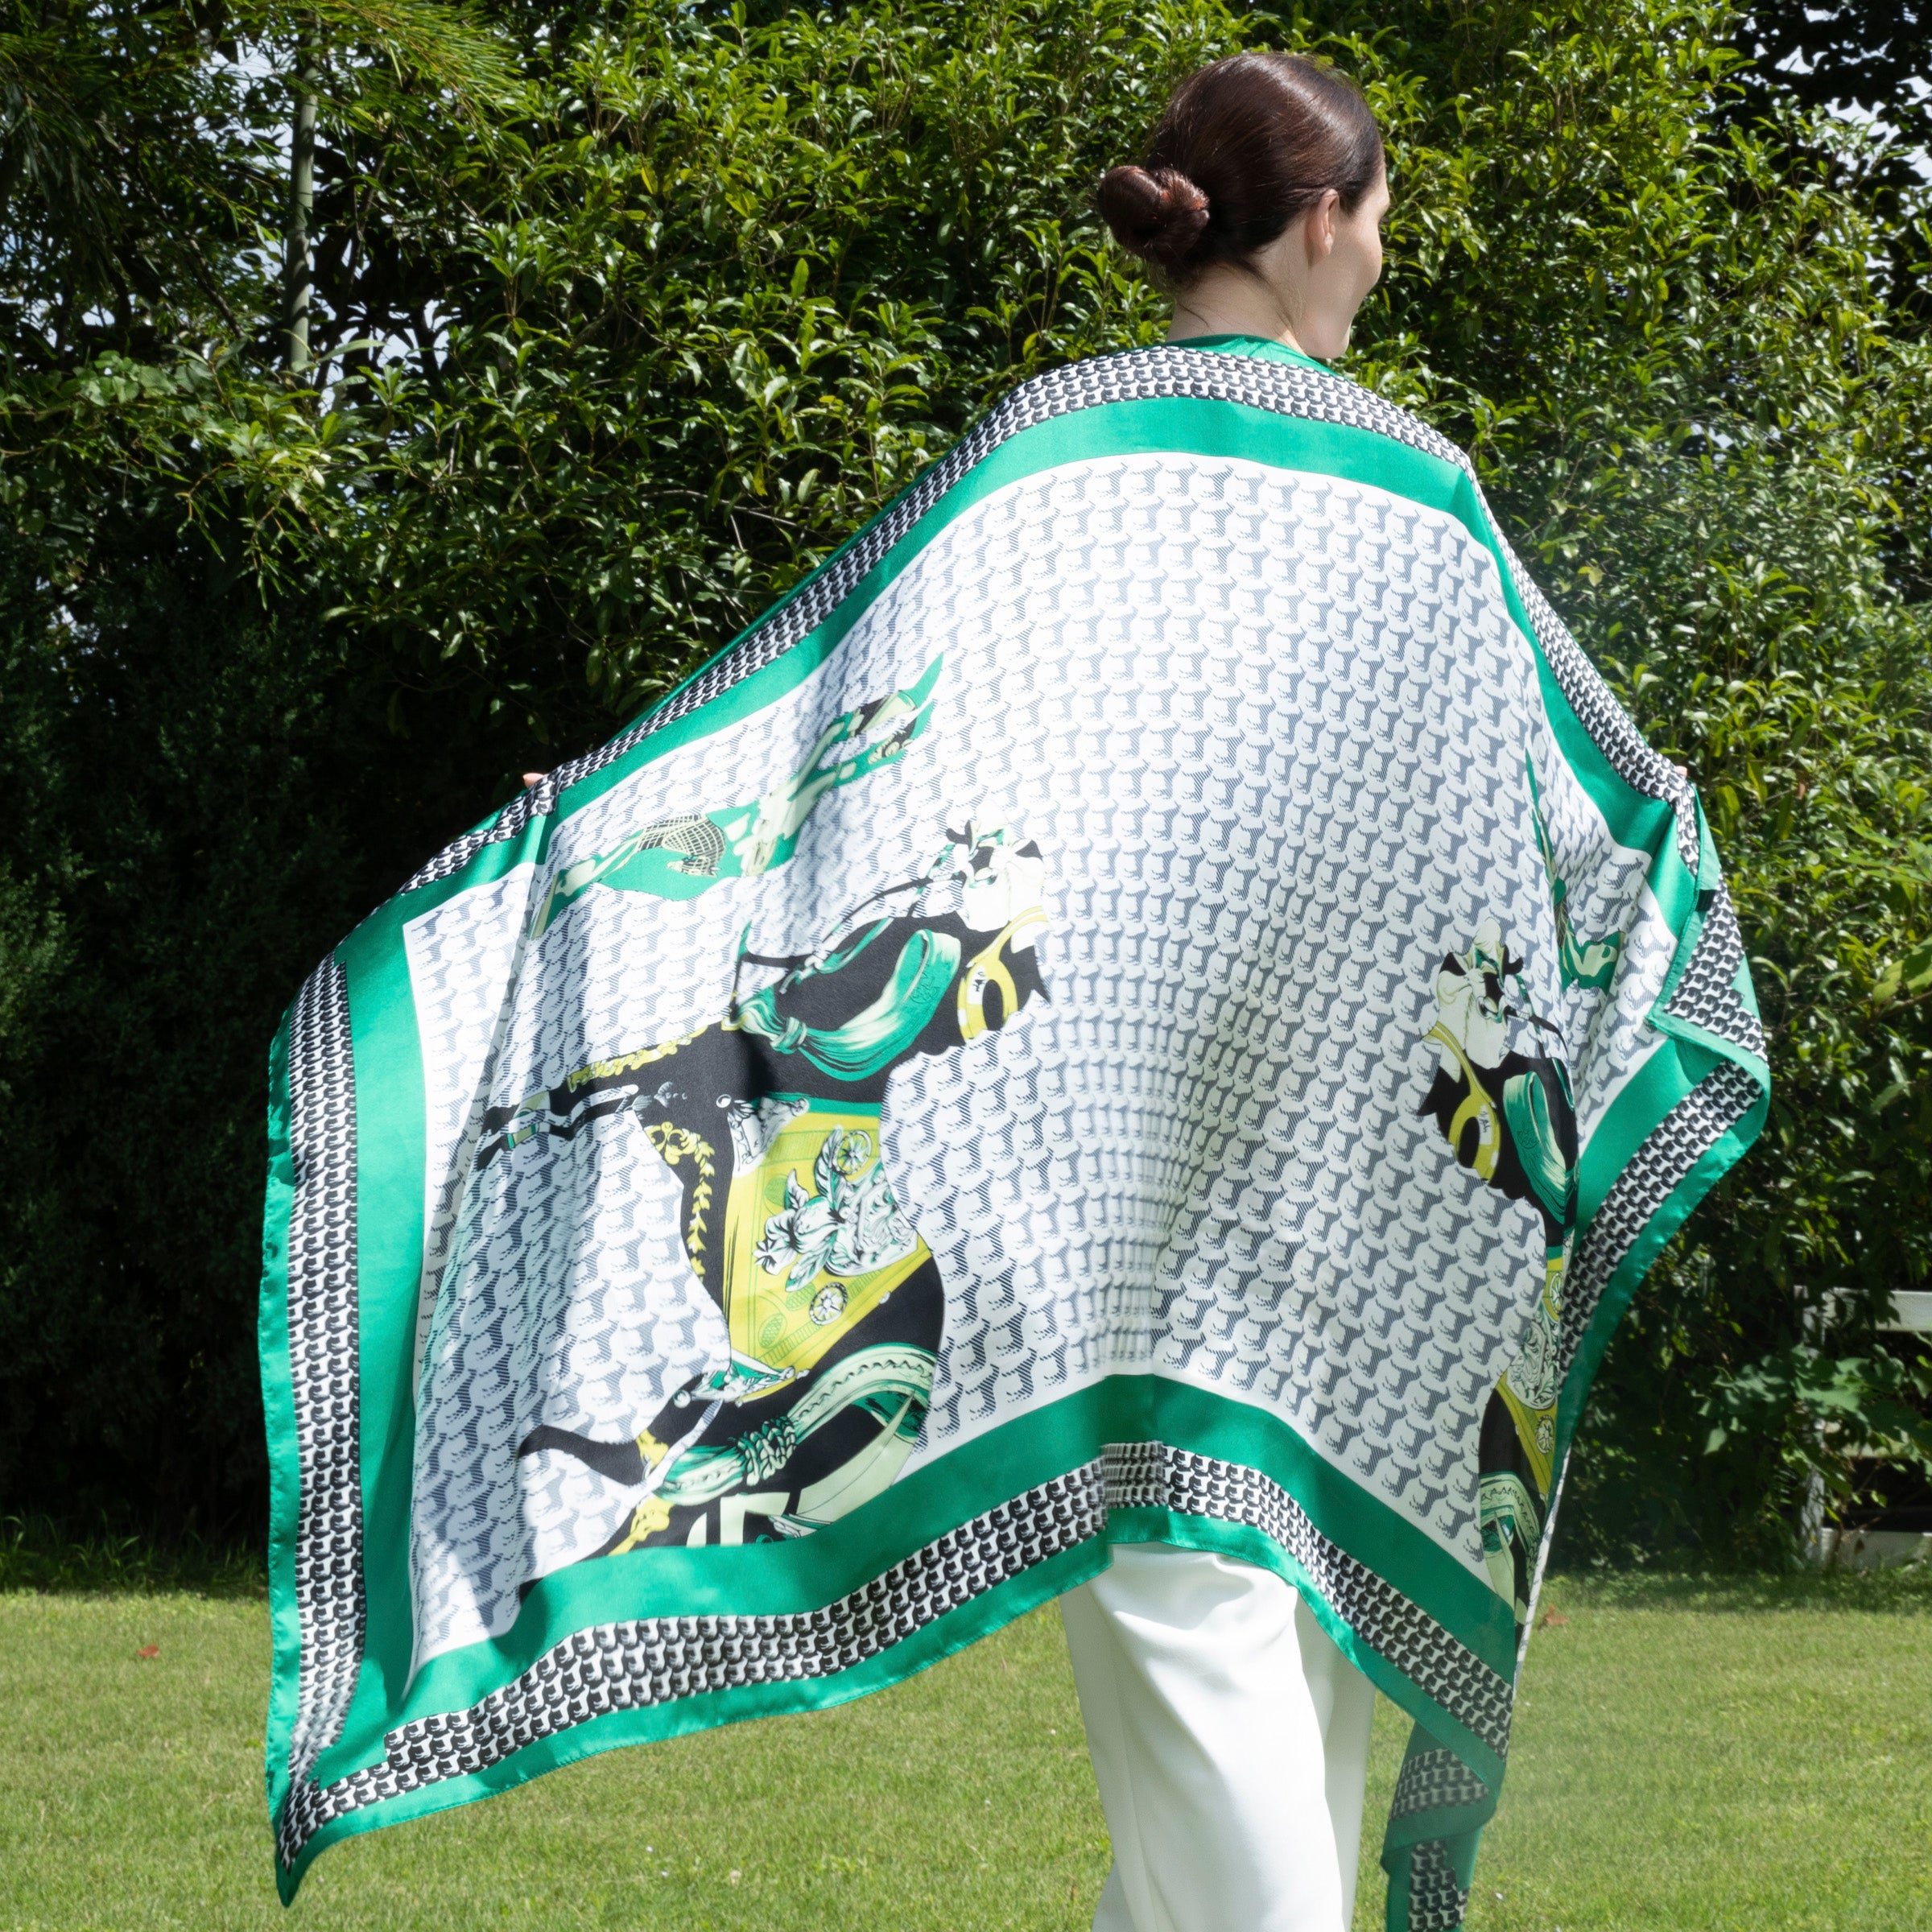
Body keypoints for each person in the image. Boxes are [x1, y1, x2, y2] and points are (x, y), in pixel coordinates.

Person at [1066, 53, 1391, 1932]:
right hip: (1279, 1224)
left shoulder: (1047, 462)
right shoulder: (1409, 492)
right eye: (1382, 225)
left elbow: (850, 742)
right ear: (1320, 222)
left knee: (1251, 1757)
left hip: (1205, 1205)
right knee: (1255, 1768)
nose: (1383, 266)